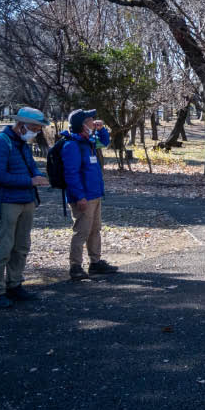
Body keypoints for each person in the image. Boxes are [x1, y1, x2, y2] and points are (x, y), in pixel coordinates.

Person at [0, 107, 50, 308]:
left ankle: (14, 284)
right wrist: (30, 181)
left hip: (25, 200)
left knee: (21, 247)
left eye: (38, 129)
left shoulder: (22, 145)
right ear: (21, 125)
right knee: (3, 248)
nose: (36, 132)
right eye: (34, 128)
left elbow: (32, 167)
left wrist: (36, 178)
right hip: (5, 202)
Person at [63, 109, 118, 281]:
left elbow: (105, 142)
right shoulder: (72, 145)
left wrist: (101, 129)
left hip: (95, 195)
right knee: (81, 232)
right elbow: (71, 174)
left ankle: (95, 263)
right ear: (81, 124)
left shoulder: (89, 142)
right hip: (83, 197)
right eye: (90, 120)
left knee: (95, 230)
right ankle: (75, 266)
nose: (93, 122)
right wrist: (80, 197)